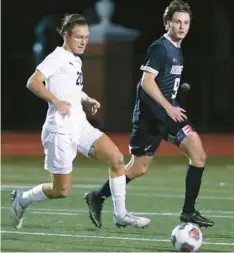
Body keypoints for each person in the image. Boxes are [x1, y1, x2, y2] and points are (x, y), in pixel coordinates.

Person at [10, 14, 150, 230]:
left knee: (117, 159)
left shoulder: (75, 59)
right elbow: (33, 82)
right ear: (66, 36)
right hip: (59, 132)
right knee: (61, 191)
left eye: (86, 37)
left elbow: (72, 88)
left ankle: (121, 215)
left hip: (80, 125)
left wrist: (86, 99)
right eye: (79, 37)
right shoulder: (57, 57)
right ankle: (22, 199)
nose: (84, 42)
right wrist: (56, 101)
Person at [85, 0, 215, 228]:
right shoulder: (160, 47)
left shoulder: (176, 48)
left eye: (186, 22)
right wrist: (168, 106)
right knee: (138, 168)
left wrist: (174, 101)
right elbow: (146, 81)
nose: (182, 27)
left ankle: (188, 212)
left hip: (170, 116)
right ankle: (98, 196)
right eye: (177, 22)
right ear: (167, 23)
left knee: (199, 155)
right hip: (150, 119)